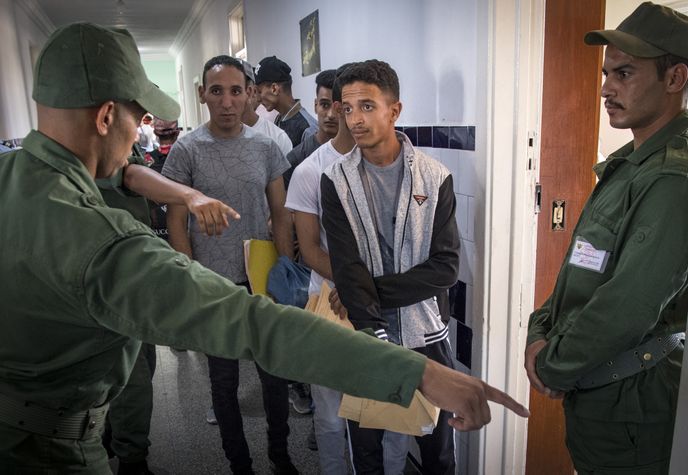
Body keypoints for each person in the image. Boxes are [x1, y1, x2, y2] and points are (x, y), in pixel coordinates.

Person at [0, 22, 528, 474]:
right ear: (105, 117)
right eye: (138, 118)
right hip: (48, 448)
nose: (140, 132)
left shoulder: (13, 176)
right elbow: (255, 325)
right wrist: (421, 373)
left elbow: (134, 178)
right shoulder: (104, 241)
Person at [524, 3, 688, 474]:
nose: (605, 88)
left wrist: (550, 365)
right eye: (606, 73)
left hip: (631, 409)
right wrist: (539, 328)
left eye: (624, 73)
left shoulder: (671, 179)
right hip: (601, 395)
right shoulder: (633, 162)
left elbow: (628, 305)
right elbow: (580, 271)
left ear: (675, 77)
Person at [321, 60, 460, 474]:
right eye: (347, 109)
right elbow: (346, 265)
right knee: (366, 445)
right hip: (367, 333)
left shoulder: (435, 178)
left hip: (426, 331)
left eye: (366, 106)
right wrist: (368, 316)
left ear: (394, 110)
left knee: (437, 447)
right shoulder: (336, 181)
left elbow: (446, 268)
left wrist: (364, 292)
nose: (354, 119)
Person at [162, 54, 299, 474]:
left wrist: (286, 273)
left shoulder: (266, 147)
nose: (226, 101)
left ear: (249, 95)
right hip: (212, 284)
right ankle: (239, 461)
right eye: (217, 91)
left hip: (262, 282)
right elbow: (176, 220)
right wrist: (189, 279)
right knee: (223, 382)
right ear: (203, 94)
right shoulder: (188, 149)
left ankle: (280, 454)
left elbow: (280, 213)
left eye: (236, 91)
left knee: (275, 377)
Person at [98, 144, 236, 475]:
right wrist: (189, 196)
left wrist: (189, 196)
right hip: (108, 283)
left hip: (129, 282)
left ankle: (114, 438)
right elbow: (131, 175)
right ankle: (129, 457)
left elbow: (132, 172)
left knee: (137, 363)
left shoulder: (115, 145)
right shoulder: (88, 153)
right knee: (131, 375)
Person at [285, 63, 355, 474]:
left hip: (373, 299)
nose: (334, 115)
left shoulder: (383, 162)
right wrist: (353, 284)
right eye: (326, 105)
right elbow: (308, 249)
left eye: (340, 105)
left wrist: (367, 290)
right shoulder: (311, 169)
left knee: (379, 408)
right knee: (330, 412)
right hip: (327, 297)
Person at [254, 56, 318, 147]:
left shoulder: (308, 129)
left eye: (260, 92)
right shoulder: (279, 119)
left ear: (274, 89)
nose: (258, 99)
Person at [239, 60, 293, 156]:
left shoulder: (277, 137)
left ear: (251, 91)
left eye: (235, 90)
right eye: (218, 91)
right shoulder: (209, 139)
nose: (227, 99)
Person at [145, 118, 181, 240]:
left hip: (155, 234)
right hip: (184, 230)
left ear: (155, 133)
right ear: (177, 132)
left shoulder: (145, 162)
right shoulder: (188, 158)